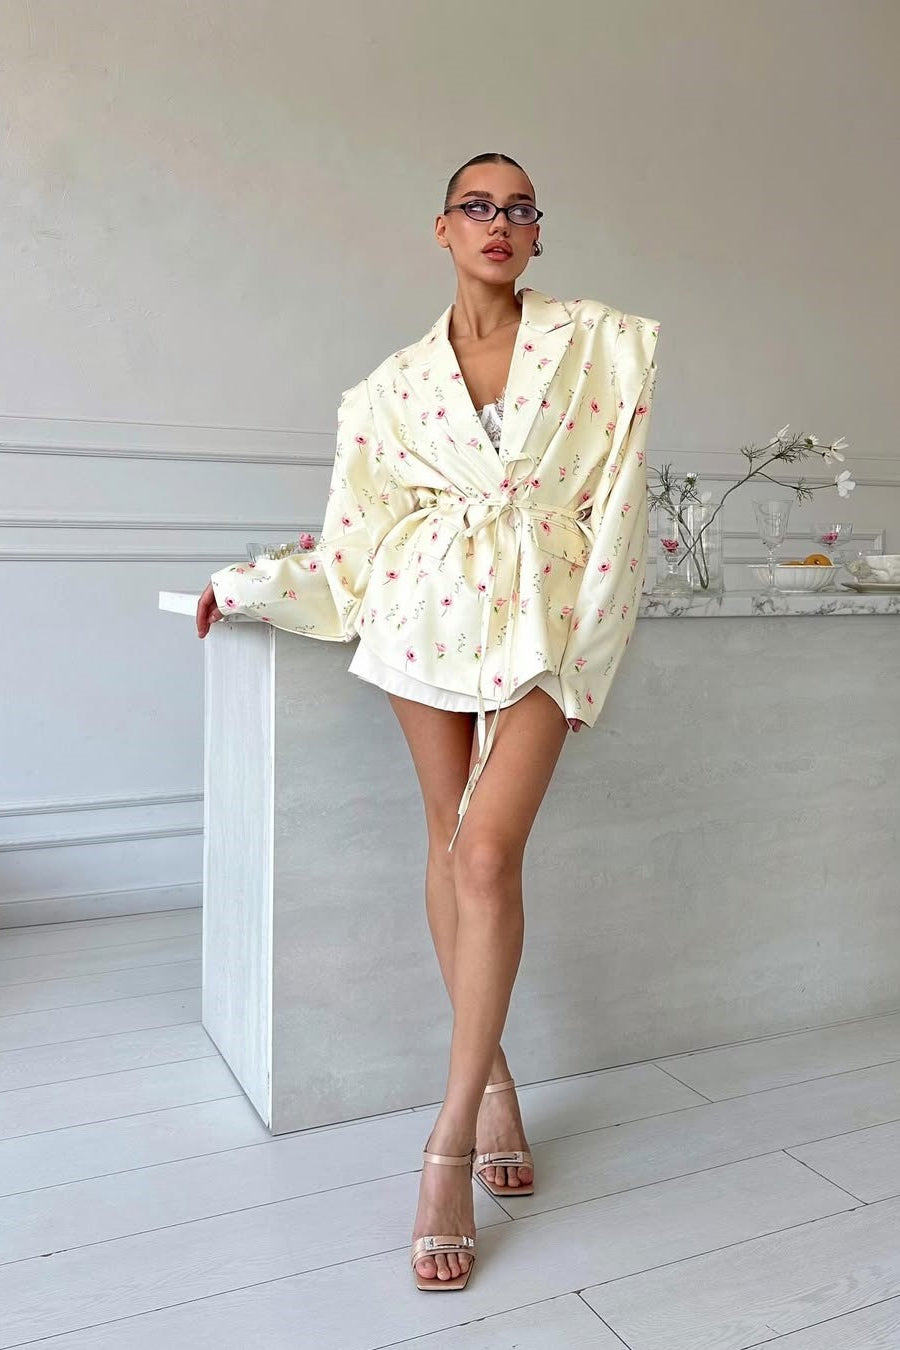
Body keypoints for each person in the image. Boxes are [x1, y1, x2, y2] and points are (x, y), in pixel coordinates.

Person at [196, 151, 660, 1291]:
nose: (498, 222)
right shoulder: (388, 389)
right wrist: (250, 584)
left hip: (545, 615)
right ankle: (492, 1084)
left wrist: (589, 652)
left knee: (488, 852)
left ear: (539, 233)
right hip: (423, 611)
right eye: (476, 206)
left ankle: (445, 1147)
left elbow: (621, 506)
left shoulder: (603, 344)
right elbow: (354, 543)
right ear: (442, 228)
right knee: (449, 845)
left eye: (519, 208)